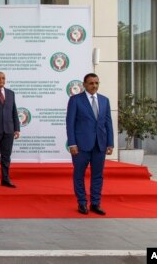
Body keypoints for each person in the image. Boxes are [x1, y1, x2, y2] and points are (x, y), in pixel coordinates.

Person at [66, 73, 114, 215]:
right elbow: (70, 123)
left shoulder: (104, 100)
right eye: (91, 83)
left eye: (96, 83)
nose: (94, 86)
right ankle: (82, 203)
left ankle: (95, 203)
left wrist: (110, 143)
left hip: (100, 144)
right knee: (79, 174)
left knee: (98, 175)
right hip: (81, 145)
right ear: (84, 84)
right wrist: (72, 143)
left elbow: (108, 123)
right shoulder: (75, 100)